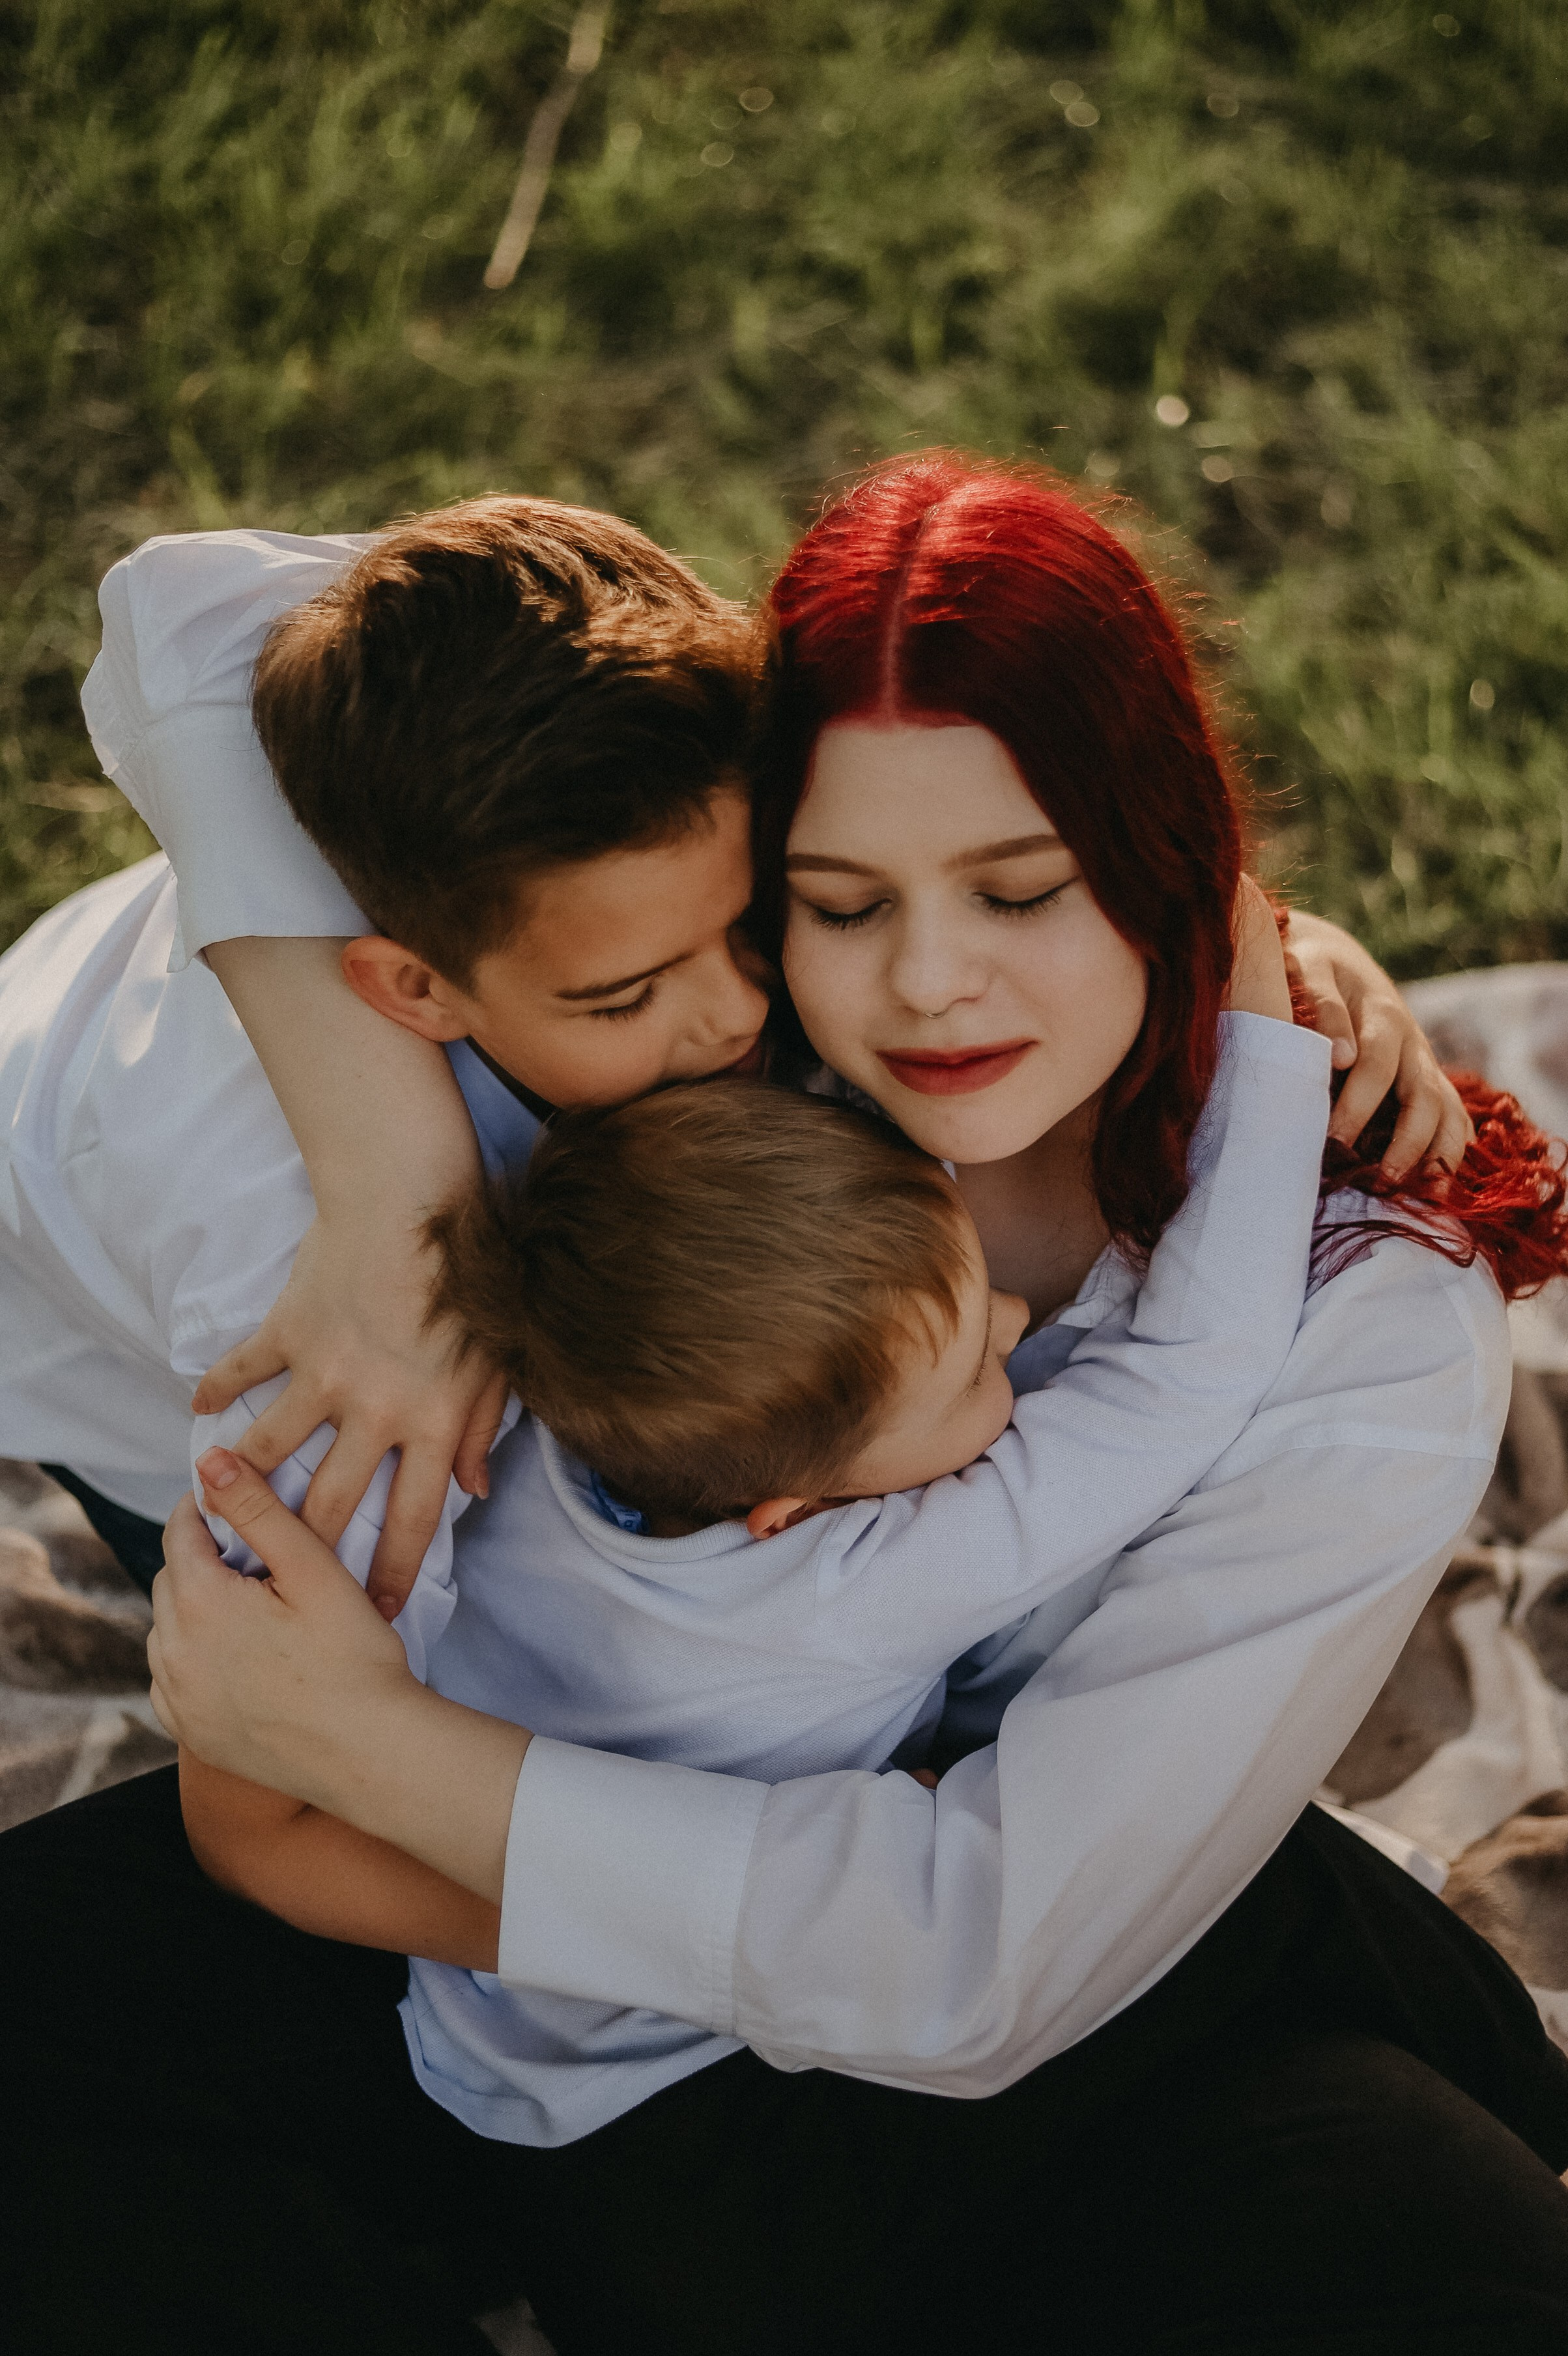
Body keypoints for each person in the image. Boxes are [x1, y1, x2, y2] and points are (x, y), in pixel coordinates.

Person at [4, 456, 1568, 2353]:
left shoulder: (1359, 1316)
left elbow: (987, 1945)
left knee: (1430, 2237)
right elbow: (203, 618)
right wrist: (391, 1184)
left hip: (825, 1874)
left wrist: (363, 1751)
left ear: (1179, 859)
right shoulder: (653, 1062)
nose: (925, 987)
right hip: (523, 1908)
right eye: (832, 901)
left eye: (1023, 889)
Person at [186, 1004, 1326, 2155]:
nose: (1021, 1325)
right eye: (978, 1362)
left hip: (482, 2021)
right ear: (795, 1508)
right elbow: (1190, 1374)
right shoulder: (870, 1578)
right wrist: (1264, 1034)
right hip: (694, 2059)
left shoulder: (541, 1439)